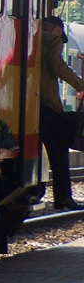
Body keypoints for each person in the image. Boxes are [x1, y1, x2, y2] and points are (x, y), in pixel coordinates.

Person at [39, 15, 84, 210]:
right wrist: (80, 84)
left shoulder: (34, 38)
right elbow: (58, 65)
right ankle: (63, 197)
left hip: (32, 103)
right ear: (57, 30)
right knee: (59, 152)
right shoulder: (52, 39)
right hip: (47, 106)